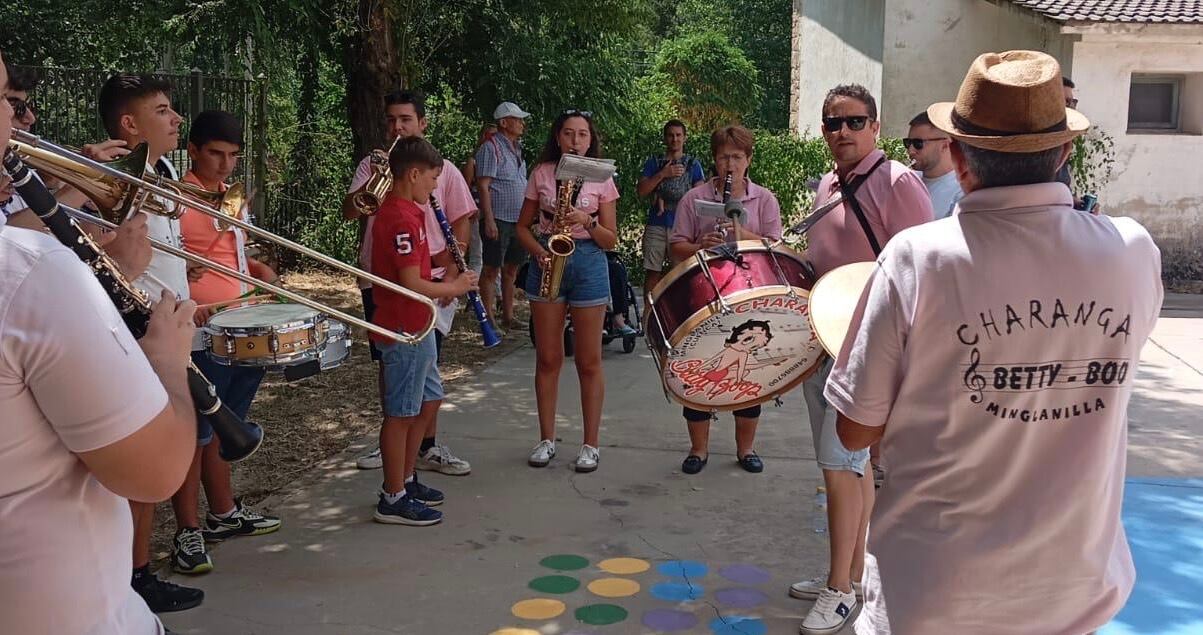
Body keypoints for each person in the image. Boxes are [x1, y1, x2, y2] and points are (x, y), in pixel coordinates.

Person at [830, 50, 1162, 635]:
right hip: (1075, 592)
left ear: (956, 157)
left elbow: (854, 430)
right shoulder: (1133, 252)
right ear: (1064, 151)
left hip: (933, 592)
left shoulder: (916, 262)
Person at [0, 49, 198, 635]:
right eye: (7, 99)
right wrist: (168, 361)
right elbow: (155, 470)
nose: (20, 121)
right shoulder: (29, 274)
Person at [792, 84, 933, 635]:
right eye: (832, 123)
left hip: (870, 351)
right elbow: (823, 258)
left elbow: (926, 271)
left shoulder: (899, 183)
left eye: (854, 122)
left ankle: (840, 591)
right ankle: (850, 573)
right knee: (850, 470)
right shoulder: (828, 184)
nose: (842, 132)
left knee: (840, 466)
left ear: (875, 126)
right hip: (824, 341)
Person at [97, 72, 209, 613]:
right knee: (143, 461)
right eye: (163, 111)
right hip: (138, 330)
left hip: (167, 323)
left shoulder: (162, 170)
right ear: (129, 124)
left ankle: (138, 566)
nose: (176, 120)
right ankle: (132, 575)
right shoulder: (117, 178)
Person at [172, 110, 282, 575]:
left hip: (240, 324)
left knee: (229, 426)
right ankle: (188, 531)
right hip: (196, 333)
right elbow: (155, 261)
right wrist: (183, 272)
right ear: (193, 150)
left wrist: (259, 272)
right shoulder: (173, 198)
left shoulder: (229, 197)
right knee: (193, 436)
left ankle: (223, 513)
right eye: (215, 154)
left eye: (233, 156)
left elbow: (231, 254)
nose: (224, 164)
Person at [346, 90, 475, 477]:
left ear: (422, 123)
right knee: (399, 383)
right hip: (402, 297)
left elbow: (459, 223)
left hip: (425, 291)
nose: (397, 127)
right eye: (391, 121)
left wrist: (452, 276)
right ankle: (396, 476)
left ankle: (415, 458)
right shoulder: (382, 181)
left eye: (405, 120)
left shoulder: (438, 175)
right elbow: (353, 211)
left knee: (424, 386)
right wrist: (378, 179)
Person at [369, 135, 478, 525]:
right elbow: (411, 281)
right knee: (400, 414)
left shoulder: (413, 213)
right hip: (404, 327)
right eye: (433, 179)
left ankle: (407, 477)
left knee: (428, 401)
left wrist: (448, 255)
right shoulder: (398, 215)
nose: (436, 187)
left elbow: (421, 260)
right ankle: (392, 495)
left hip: (420, 325)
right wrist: (455, 287)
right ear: (413, 174)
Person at [668, 124, 782, 475]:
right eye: (723, 158)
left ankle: (745, 449)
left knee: (747, 375)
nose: (729, 164)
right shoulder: (694, 198)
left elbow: (777, 248)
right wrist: (698, 245)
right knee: (701, 369)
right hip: (704, 293)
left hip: (748, 294)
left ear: (748, 160)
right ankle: (698, 449)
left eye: (736, 157)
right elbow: (676, 249)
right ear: (714, 161)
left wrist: (739, 231)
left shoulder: (764, 200)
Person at [516, 110, 619, 473]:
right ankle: (546, 439)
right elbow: (522, 228)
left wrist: (586, 220)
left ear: (591, 140)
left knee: (589, 361)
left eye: (582, 135)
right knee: (548, 359)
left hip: (589, 261)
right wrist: (540, 252)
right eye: (569, 134)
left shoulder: (602, 176)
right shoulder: (543, 173)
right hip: (548, 259)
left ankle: (590, 445)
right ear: (558, 138)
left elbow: (610, 240)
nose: (576, 141)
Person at [636, 119, 705, 304]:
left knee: (681, 273)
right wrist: (662, 175)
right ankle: (648, 315)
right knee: (652, 271)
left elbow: (700, 196)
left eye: (678, 135)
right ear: (665, 138)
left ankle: (678, 316)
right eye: (671, 135)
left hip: (682, 227)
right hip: (657, 224)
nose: (675, 139)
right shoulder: (655, 162)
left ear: (685, 138)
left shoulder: (693, 165)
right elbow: (642, 190)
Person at [476, 101, 530, 330]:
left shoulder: (517, 149)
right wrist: (488, 219)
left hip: (517, 219)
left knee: (511, 269)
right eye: (517, 119)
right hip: (497, 218)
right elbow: (483, 185)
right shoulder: (490, 148)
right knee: (491, 269)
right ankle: (488, 320)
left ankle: (508, 316)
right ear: (504, 122)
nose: (522, 124)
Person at [905, 112, 963, 219]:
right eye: (908, 143)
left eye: (918, 144)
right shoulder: (907, 181)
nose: (911, 150)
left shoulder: (960, 191)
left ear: (944, 145)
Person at [462, 122, 498, 276]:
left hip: (495, 211)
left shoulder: (500, 158)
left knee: (494, 256)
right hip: (477, 210)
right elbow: (465, 187)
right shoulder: (474, 160)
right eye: (490, 135)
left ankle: (497, 292)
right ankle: (472, 291)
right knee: (478, 252)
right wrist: (472, 209)